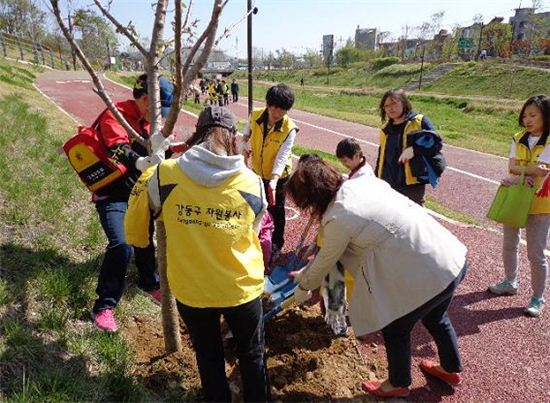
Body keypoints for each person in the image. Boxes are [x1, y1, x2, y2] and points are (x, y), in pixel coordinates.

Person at [287, 159, 468, 398]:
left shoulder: (338, 217)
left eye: (306, 204)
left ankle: (398, 383)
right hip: (450, 257)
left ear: (314, 197)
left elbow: (326, 261)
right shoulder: (359, 184)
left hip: (429, 268)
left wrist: (303, 286)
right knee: (436, 317)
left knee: (396, 325)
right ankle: (450, 368)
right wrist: (305, 275)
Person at [125, 106, 270, 402]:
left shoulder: (164, 175)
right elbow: (252, 231)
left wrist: (155, 160)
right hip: (241, 288)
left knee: (209, 356)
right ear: (232, 138)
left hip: (192, 290)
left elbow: (135, 227)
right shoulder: (252, 182)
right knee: (253, 355)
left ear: (196, 134)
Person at [91, 74, 174, 332]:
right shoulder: (116, 115)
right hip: (112, 194)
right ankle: (104, 305)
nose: (161, 118)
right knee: (122, 244)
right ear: (146, 99)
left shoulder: (151, 122)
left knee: (145, 237)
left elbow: (161, 151)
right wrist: (139, 162)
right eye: (161, 110)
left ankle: (149, 282)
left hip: (138, 192)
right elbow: (117, 147)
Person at [488, 95, 550, 317]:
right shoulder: (518, 138)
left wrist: (522, 172)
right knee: (509, 244)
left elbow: (544, 170)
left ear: (546, 116)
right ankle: (510, 282)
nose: (527, 119)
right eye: (525, 115)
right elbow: (513, 167)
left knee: (536, 253)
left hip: (541, 202)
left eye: (533, 115)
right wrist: (530, 170)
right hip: (516, 197)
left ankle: (537, 298)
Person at [243, 83, 298, 257]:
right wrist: (244, 147)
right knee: (258, 206)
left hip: (279, 177)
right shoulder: (255, 115)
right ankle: (258, 236)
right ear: (267, 104)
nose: (277, 114)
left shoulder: (290, 129)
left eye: (282, 111)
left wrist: (274, 181)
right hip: (258, 171)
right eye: (274, 109)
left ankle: (276, 244)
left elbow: (282, 156)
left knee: (277, 209)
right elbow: (246, 133)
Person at [375, 89, 439, 205]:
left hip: (412, 185)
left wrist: (414, 150)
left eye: (394, 103)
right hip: (389, 183)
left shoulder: (419, 122)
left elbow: (436, 144)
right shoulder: (385, 130)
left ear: (403, 103)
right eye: (386, 106)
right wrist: (376, 179)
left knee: (414, 217)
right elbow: (381, 158)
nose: (390, 108)